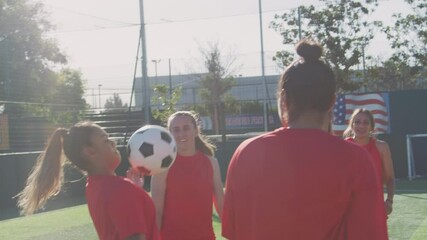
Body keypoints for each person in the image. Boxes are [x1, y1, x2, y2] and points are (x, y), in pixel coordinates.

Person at [221, 39, 388, 240]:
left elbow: (233, 231)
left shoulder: (247, 152)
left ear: (284, 99)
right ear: (332, 101)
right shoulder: (356, 159)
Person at [16, 121, 160, 240]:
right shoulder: (120, 190)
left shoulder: (95, 186)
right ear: (90, 152)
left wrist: (135, 192)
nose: (113, 142)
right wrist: (131, 192)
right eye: (105, 140)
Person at [150, 111, 224, 240]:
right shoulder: (163, 165)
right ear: (170, 134)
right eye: (176, 130)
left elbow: (221, 205)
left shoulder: (211, 163)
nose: (181, 134)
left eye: (186, 128)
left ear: (196, 131)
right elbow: (157, 211)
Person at [343, 108, 395, 216]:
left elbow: (390, 178)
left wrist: (389, 201)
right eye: (357, 122)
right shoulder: (343, 147)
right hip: (349, 210)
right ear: (351, 125)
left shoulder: (382, 147)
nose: (361, 126)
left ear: (372, 127)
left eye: (366, 123)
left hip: (375, 208)